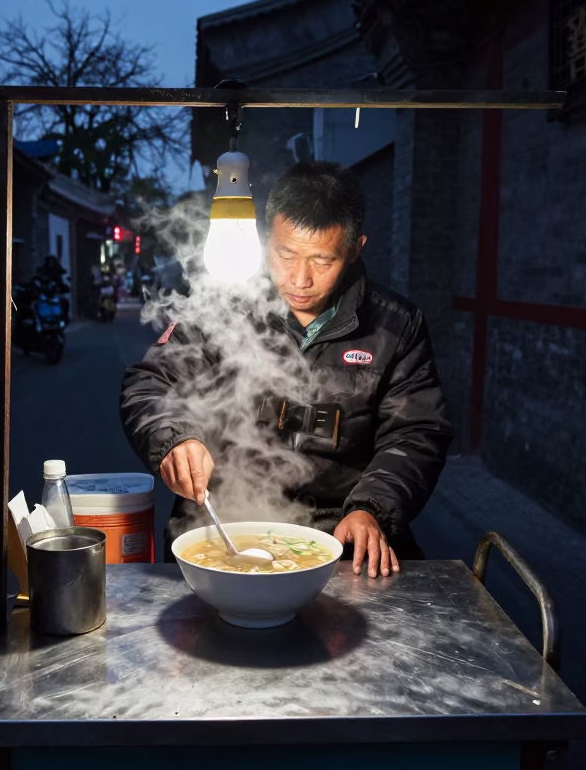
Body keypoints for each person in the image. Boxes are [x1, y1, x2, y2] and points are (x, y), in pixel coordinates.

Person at [120, 162, 453, 578]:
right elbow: (151, 381)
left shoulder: (395, 326)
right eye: (285, 253)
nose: (299, 278)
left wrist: (373, 507)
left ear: (354, 249)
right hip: (221, 523)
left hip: (340, 532)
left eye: (322, 260)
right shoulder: (224, 307)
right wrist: (173, 437)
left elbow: (417, 432)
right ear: (265, 239)